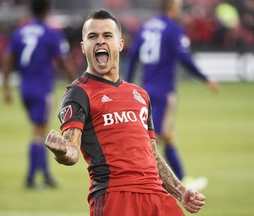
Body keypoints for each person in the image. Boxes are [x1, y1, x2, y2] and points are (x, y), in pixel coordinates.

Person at [45, 9, 206, 215]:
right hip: (116, 197)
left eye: (107, 35)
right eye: (92, 36)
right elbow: (72, 150)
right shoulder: (78, 93)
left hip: (158, 197)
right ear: (83, 47)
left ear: (120, 44)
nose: (100, 41)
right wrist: (62, 152)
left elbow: (152, 153)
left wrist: (181, 191)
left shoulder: (139, 94)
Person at [125, 0, 219, 190]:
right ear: (172, 7)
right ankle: (135, 178)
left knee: (168, 134)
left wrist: (126, 84)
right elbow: (184, 57)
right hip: (163, 91)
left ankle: (182, 179)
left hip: (145, 90)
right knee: (154, 138)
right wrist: (205, 78)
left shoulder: (146, 27)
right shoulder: (173, 29)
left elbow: (133, 56)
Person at [1, 0, 76, 189]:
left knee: (40, 129)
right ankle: (31, 178)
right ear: (48, 10)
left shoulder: (20, 32)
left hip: (25, 88)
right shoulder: (52, 33)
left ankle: (46, 175)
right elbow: (64, 61)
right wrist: (76, 85)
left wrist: (5, 87)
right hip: (42, 87)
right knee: (38, 131)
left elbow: (8, 59)